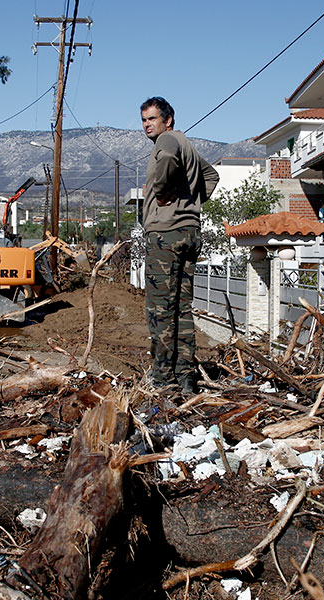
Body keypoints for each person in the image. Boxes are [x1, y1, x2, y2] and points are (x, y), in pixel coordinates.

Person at [140, 96, 219, 394]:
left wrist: (163, 191)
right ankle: (185, 377)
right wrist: (190, 202)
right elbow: (211, 175)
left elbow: (168, 161)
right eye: (144, 120)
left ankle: (163, 380)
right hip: (189, 232)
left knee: (160, 310)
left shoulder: (167, 141)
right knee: (181, 309)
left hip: (166, 234)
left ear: (168, 119)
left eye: (152, 119)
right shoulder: (187, 144)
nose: (147, 125)